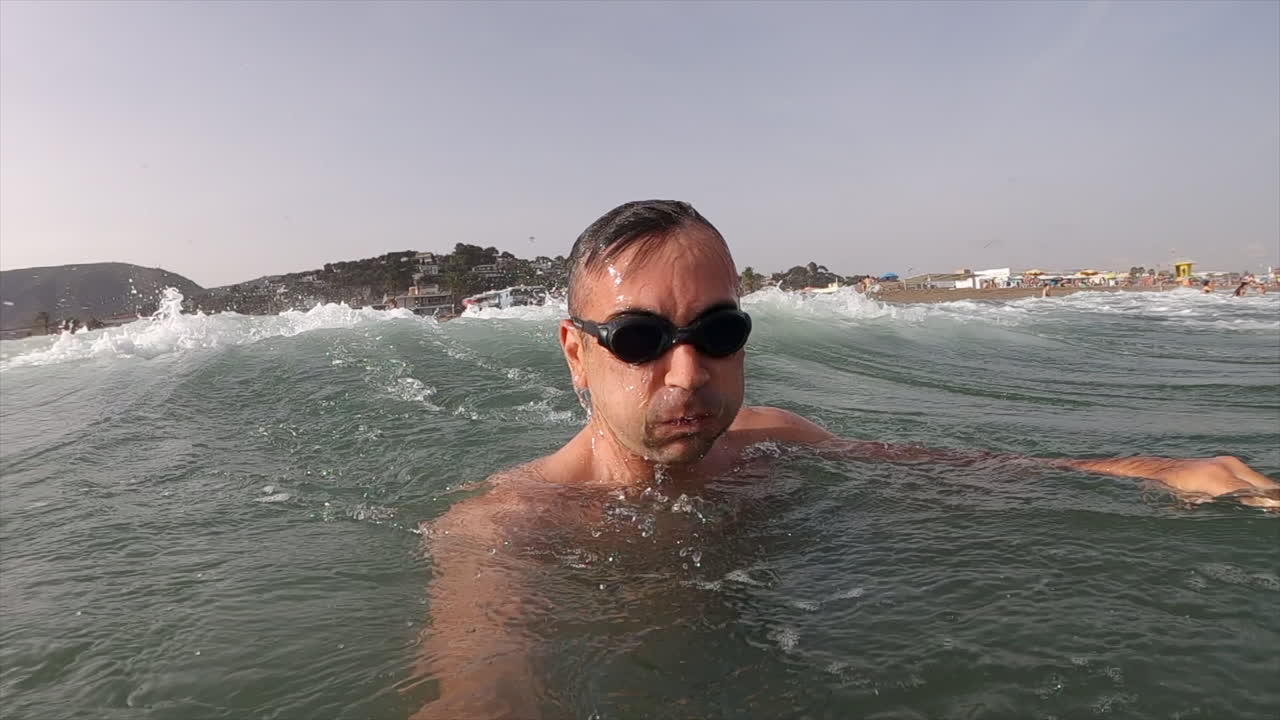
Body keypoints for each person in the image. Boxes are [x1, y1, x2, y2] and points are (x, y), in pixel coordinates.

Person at [412, 200, 1278, 718]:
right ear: (576, 352)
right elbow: (485, 678)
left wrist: (1156, 472)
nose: (688, 371)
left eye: (718, 331)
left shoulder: (773, 439)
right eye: (640, 339)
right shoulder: (509, 525)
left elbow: (950, 468)